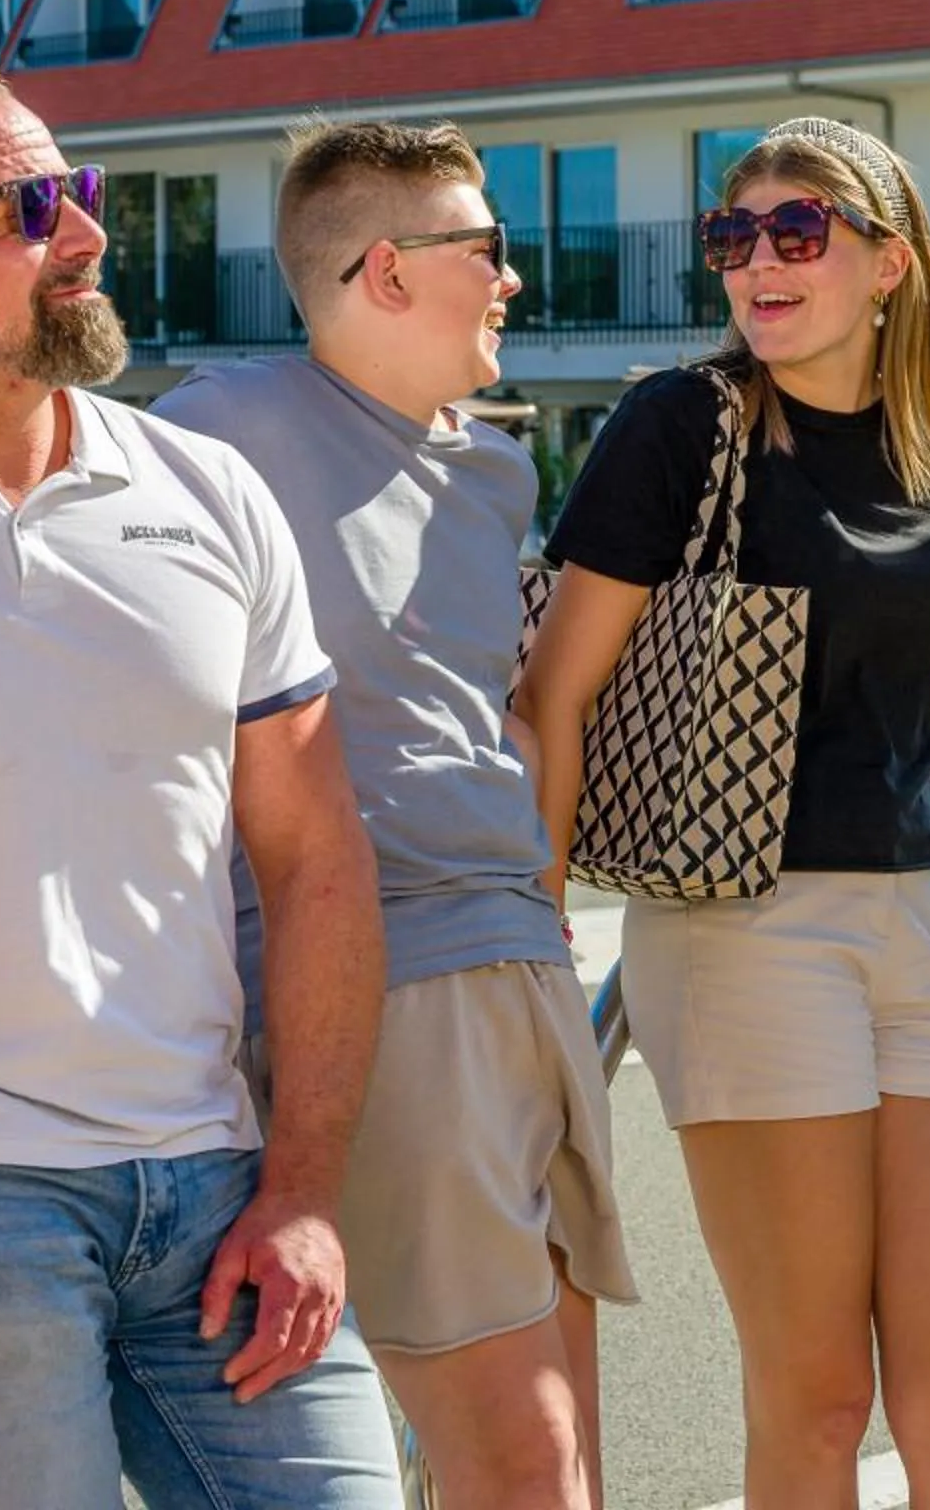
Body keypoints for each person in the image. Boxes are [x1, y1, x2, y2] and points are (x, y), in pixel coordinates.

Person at [0, 69, 400, 1510]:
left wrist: (301, 1187)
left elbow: (316, 860)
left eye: (82, 193)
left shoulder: (209, 491)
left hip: (220, 1186)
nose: (88, 234)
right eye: (32, 207)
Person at [517, 115, 930, 1506]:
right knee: (818, 1403)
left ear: (889, 263)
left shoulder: (923, 448)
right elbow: (554, 699)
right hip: (741, 931)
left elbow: (886, 705)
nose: (757, 260)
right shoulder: (682, 424)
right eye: (733, 235)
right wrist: (535, 941)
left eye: (796, 231)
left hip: (911, 931)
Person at [152, 120, 639, 1509]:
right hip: (396, 973)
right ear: (382, 271)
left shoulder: (494, 470)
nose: (512, 279)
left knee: (567, 1454)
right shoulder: (215, 436)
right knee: (521, 1461)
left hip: (524, 965)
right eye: (485, 248)